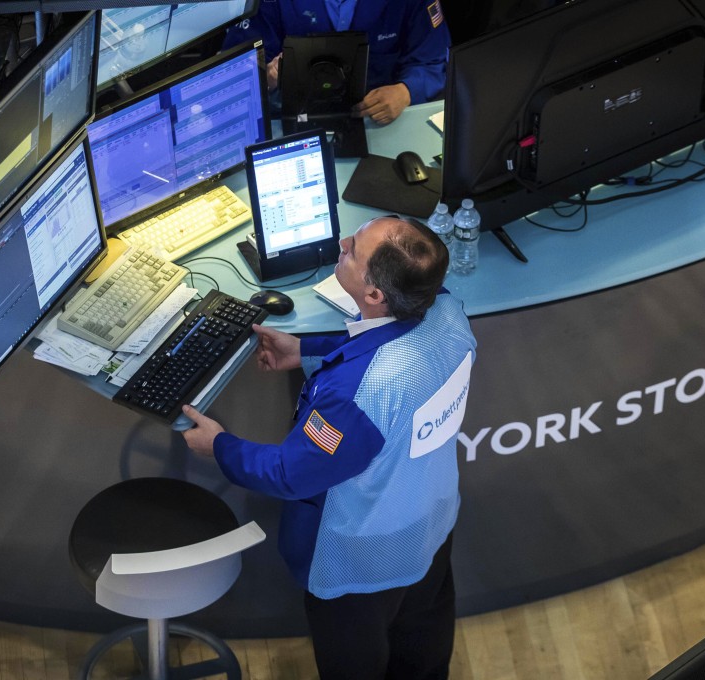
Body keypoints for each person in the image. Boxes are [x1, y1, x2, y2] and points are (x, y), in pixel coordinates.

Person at [181, 215, 477, 679]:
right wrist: (307, 350)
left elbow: (289, 474)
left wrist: (218, 445)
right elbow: (387, 342)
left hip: (360, 562)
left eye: (352, 251)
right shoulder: (448, 314)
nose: (342, 243)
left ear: (375, 295)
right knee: (423, 657)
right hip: (430, 527)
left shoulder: (357, 396)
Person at [223, 0, 452, 125]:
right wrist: (266, 76)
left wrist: (407, 91)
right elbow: (236, 69)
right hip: (290, 119)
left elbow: (433, 58)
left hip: (376, 119)